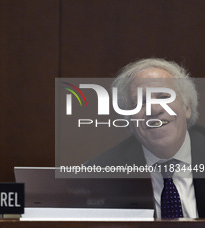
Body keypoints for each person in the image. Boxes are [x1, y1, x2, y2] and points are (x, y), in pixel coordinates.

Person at [85, 58, 205, 218]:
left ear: (187, 107)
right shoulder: (101, 174)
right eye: (141, 102)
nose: (154, 110)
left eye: (164, 97)